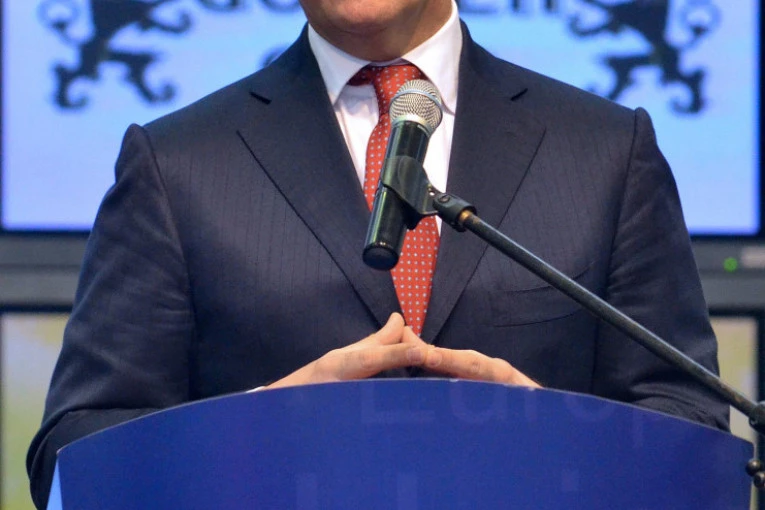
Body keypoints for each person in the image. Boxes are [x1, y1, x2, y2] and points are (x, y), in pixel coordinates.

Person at [27, 0, 729, 507]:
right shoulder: (174, 162)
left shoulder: (606, 151)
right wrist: (257, 425)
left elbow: (691, 424)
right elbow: (74, 448)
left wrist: (555, 432)